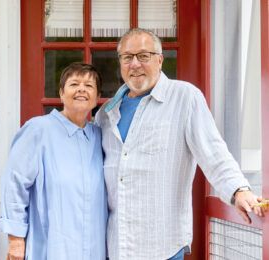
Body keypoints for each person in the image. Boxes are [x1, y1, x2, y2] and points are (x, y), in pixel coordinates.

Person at [95, 28, 265, 260]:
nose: (135, 64)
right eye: (127, 57)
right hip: (115, 244)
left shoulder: (185, 97)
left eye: (143, 56)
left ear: (160, 60)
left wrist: (239, 190)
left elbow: (213, 151)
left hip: (162, 244)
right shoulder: (106, 113)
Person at [0, 62, 107, 260]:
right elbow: (14, 184)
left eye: (89, 85)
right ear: (61, 94)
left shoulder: (100, 136)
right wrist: (16, 239)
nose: (82, 89)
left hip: (94, 248)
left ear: (97, 98)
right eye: (74, 84)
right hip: (52, 248)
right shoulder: (38, 130)